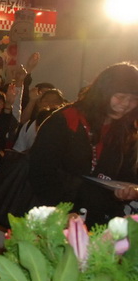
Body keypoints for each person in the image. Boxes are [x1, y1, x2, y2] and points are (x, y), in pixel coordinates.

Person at [29, 62, 138, 224]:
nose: (126, 104)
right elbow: (40, 171)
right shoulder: (65, 120)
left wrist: (127, 192)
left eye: (133, 99)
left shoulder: (125, 129)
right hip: (56, 215)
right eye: (121, 97)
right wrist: (61, 211)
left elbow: (125, 174)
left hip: (99, 218)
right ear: (103, 92)